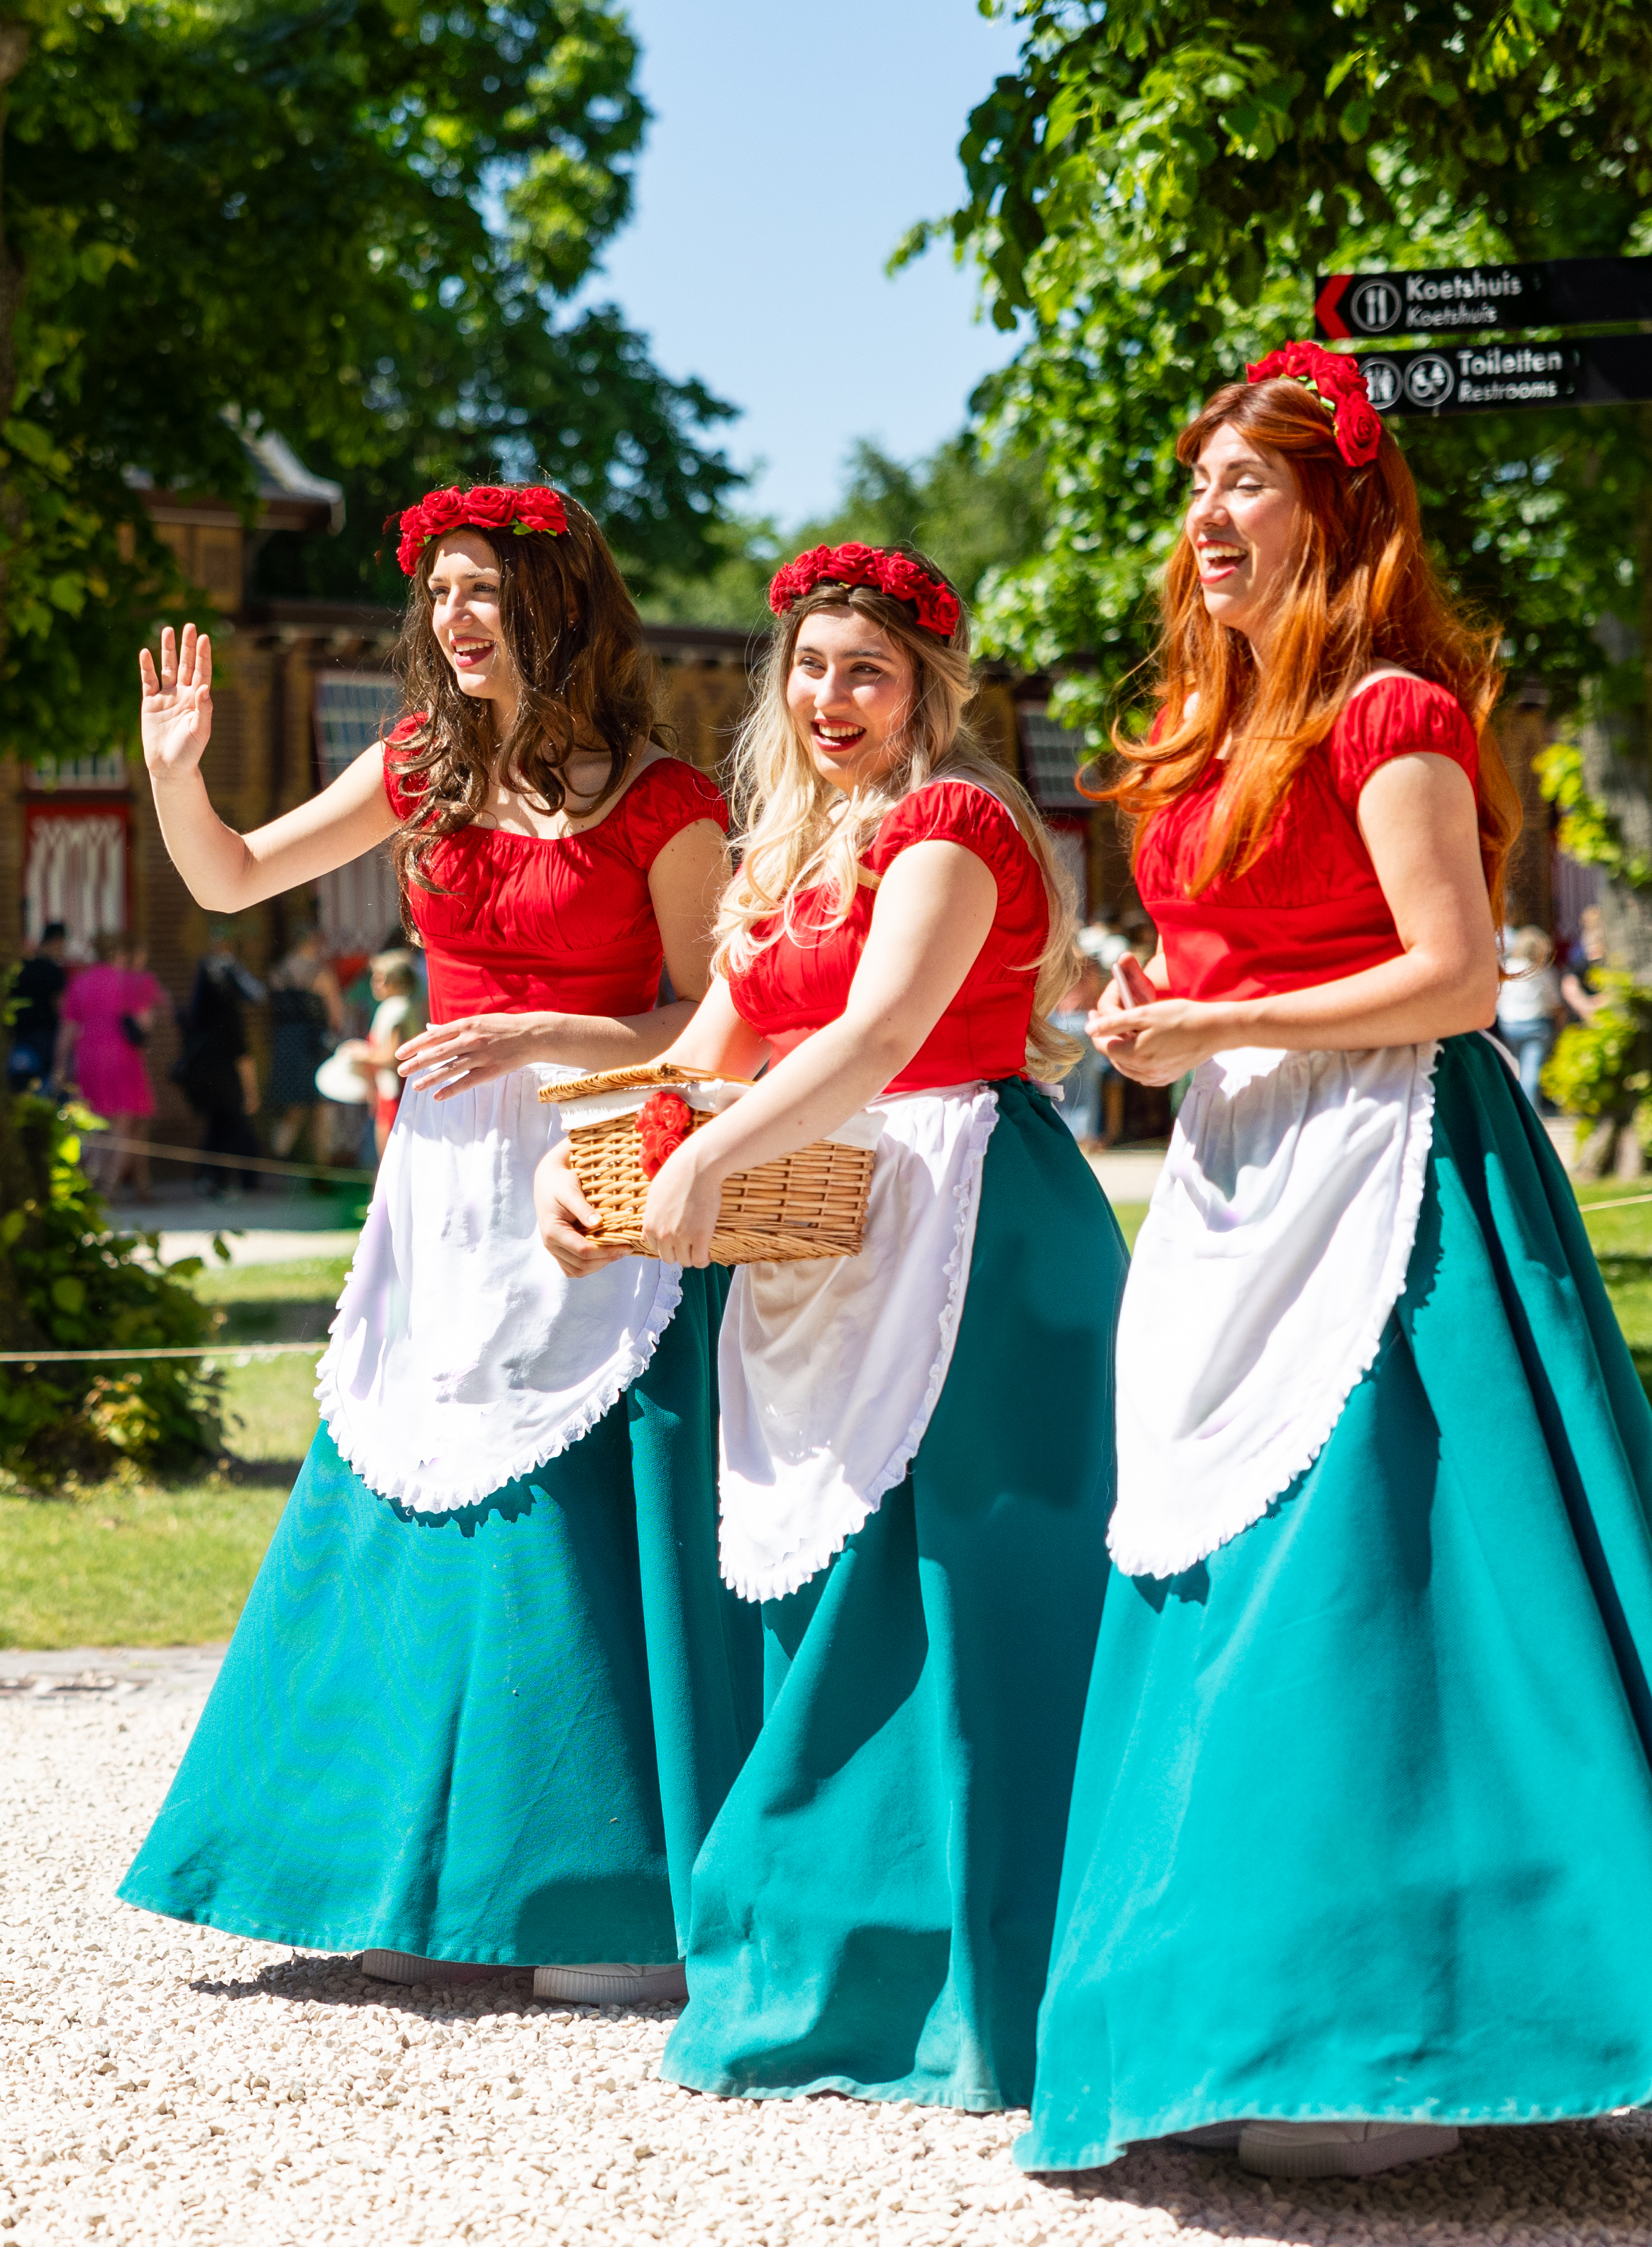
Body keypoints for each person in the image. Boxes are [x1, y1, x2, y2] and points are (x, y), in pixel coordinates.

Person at [1016, 344, 1652, 2182]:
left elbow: (1451, 972)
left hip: (1398, 1168)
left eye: (1243, 486)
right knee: (1227, 1585)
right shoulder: (1204, 729)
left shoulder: (1391, 709)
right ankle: (1237, 2010)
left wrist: (1219, 1010)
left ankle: (1419, 2019)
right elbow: (1237, 966)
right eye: (1197, 492)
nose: (1206, 521)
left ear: (1333, 510)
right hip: (1245, 1172)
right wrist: (1155, 1017)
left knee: (1380, 1602)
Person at [115, 483, 753, 2007]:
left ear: (563, 607)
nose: (456, 619)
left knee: (577, 1521)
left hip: (600, 1155)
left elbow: (714, 1023)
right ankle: (392, 1878)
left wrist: (541, 1025)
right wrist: (173, 777)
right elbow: (226, 878)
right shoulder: (414, 765)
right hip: (443, 1184)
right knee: (413, 1490)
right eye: (443, 594)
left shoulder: (668, 805)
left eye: (486, 591)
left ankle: (601, 1887)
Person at [535, 543, 1121, 2111]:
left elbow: (877, 1033)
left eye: (863, 668)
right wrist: (593, 1171)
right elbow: (711, 1049)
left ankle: (985, 1982)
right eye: (807, 665)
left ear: (928, 686)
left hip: (970, 1220)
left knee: (958, 1595)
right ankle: (837, 1963)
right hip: (820, 1229)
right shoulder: (777, 851)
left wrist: (710, 1153)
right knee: (823, 1590)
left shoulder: (957, 821)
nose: (828, 695)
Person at [57, 933, 163, 1197]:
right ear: (119, 954)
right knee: (123, 1126)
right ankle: (107, 1186)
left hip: (88, 1058)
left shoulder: (79, 983)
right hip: (123, 1059)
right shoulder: (132, 982)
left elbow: (68, 1030)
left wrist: (58, 1068)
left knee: (95, 1124)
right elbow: (145, 1023)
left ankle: (93, 1179)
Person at [172, 923, 265, 1198]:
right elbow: (257, 998)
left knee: (220, 1126)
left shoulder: (199, 1009)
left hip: (204, 1075)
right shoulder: (229, 1012)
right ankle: (230, 1181)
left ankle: (213, 1179)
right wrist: (252, 1091)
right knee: (231, 1125)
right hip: (225, 1077)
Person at [255, 930, 346, 1177]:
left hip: (286, 1045)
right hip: (314, 1045)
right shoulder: (322, 974)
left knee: (291, 1108)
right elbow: (337, 1015)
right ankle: (321, 1172)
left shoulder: (278, 972)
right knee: (321, 1109)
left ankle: (277, 1164)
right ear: (313, 942)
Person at [361, 947, 423, 1150]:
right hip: (387, 1092)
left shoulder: (398, 1009)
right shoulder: (392, 1007)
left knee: (390, 1155)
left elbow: (394, 1057)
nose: (375, 983)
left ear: (397, 982)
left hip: (396, 1094)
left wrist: (358, 1056)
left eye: (382, 978)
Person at [1495, 921, 1563, 1097]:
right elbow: (1554, 1003)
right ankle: (1530, 1112)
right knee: (1531, 1070)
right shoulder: (1542, 971)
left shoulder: (1508, 969)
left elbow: (1498, 998)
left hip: (1510, 1025)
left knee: (1515, 1068)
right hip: (1536, 1026)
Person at [5, 921, 72, 1094]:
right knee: (46, 1091)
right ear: (57, 941)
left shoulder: (22, 968)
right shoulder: (53, 972)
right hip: (46, 1039)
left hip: (20, 1037)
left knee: (21, 1090)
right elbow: (61, 1007)